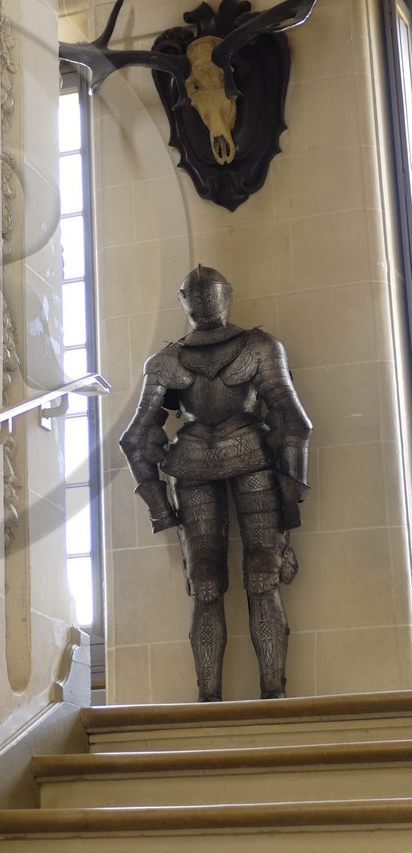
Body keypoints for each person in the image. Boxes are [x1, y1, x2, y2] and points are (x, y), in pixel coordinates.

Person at [118, 266, 311, 702]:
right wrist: (159, 506)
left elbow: (291, 420)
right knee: (217, 580)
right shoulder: (169, 360)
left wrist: (289, 495)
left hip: (230, 461)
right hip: (208, 464)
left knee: (248, 576)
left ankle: (257, 695)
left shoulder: (255, 347)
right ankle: (225, 698)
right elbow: (137, 437)